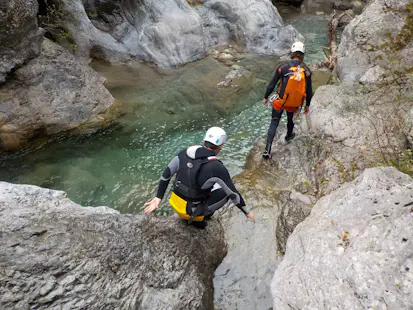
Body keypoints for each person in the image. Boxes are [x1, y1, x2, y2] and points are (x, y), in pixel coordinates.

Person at [144, 126, 255, 228]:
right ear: (220, 146)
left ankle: (193, 213)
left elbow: (166, 175)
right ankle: (199, 219)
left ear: (204, 141)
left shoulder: (183, 154)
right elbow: (233, 194)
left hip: (175, 204)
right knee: (225, 191)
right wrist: (247, 213)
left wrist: (158, 197)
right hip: (190, 213)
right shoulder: (216, 167)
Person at [262, 41, 313, 159]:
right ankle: (289, 135)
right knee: (290, 118)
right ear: (303, 55)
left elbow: (272, 84)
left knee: (274, 122)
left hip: (281, 101)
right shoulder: (307, 71)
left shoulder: (283, 67)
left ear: (292, 53)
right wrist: (308, 104)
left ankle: (267, 149)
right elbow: (309, 90)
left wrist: (266, 96)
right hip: (294, 103)